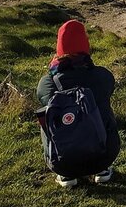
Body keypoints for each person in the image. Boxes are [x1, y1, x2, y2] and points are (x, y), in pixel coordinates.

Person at [36, 20, 120, 190]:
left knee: (48, 116)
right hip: (104, 156)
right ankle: (101, 169)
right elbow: (108, 88)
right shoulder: (102, 76)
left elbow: (42, 97)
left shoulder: (47, 82)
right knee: (103, 108)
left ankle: (66, 174)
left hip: (62, 162)